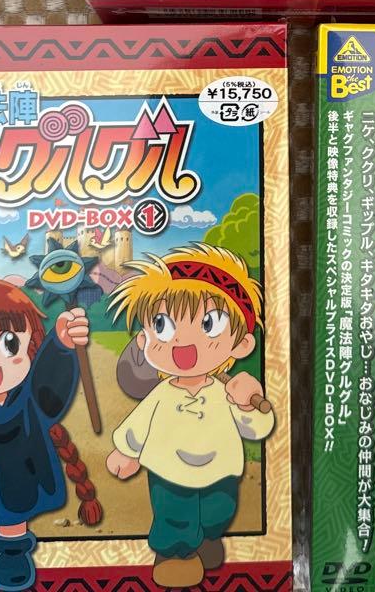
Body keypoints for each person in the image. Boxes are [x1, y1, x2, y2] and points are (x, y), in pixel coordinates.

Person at [105, 244, 273, 589]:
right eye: (163, 325)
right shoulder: (161, 393)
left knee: (220, 509)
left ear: (241, 344)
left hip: (221, 467)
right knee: (174, 515)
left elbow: (256, 429)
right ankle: (175, 555)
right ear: (144, 341)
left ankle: (207, 536)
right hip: (167, 469)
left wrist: (246, 404)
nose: (184, 343)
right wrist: (127, 452)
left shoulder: (228, 390)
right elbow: (139, 425)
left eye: (209, 324)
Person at [0, 279, 95, 591]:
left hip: (20, 474)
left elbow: (48, 389)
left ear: (31, 342)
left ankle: (12, 556)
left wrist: (61, 345)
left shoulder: (28, 402)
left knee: (13, 514)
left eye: (9, 343)